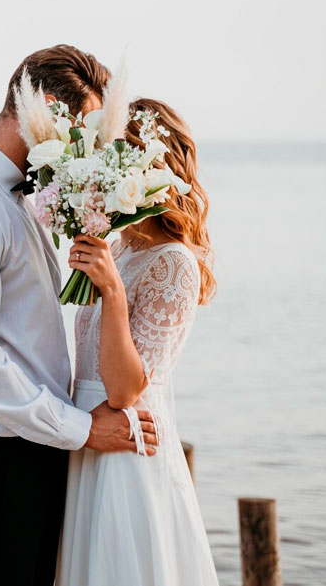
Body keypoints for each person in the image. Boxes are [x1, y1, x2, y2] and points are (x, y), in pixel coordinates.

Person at [0, 45, 158, 586]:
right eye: (85, 129)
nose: (86, 146)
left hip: (26, 452)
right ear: (46, 108)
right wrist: (81, 429)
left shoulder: (14, 201)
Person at [56, 97, 220, 586]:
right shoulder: (120, 245)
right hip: (85, 434)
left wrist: (111, 290)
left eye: (117, 157)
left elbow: (126, 391)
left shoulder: (174, 263)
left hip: (126, 450)